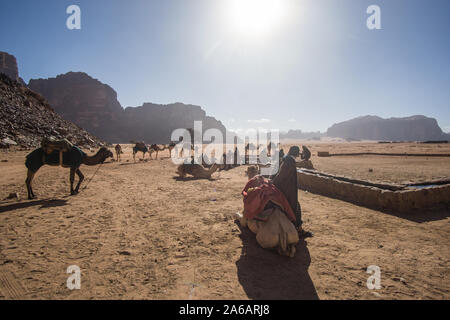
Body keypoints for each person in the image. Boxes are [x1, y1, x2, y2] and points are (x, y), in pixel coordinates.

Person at [269, 146, 312, 238]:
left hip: (287, 188)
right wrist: (273, 182)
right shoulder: (289, 161)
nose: (299, 154)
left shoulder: (288, 160)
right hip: (287, 190)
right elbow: (282, 175)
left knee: (294, 207)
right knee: (295, 207)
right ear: (295, 153)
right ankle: (298, 229)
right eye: (298, 152)